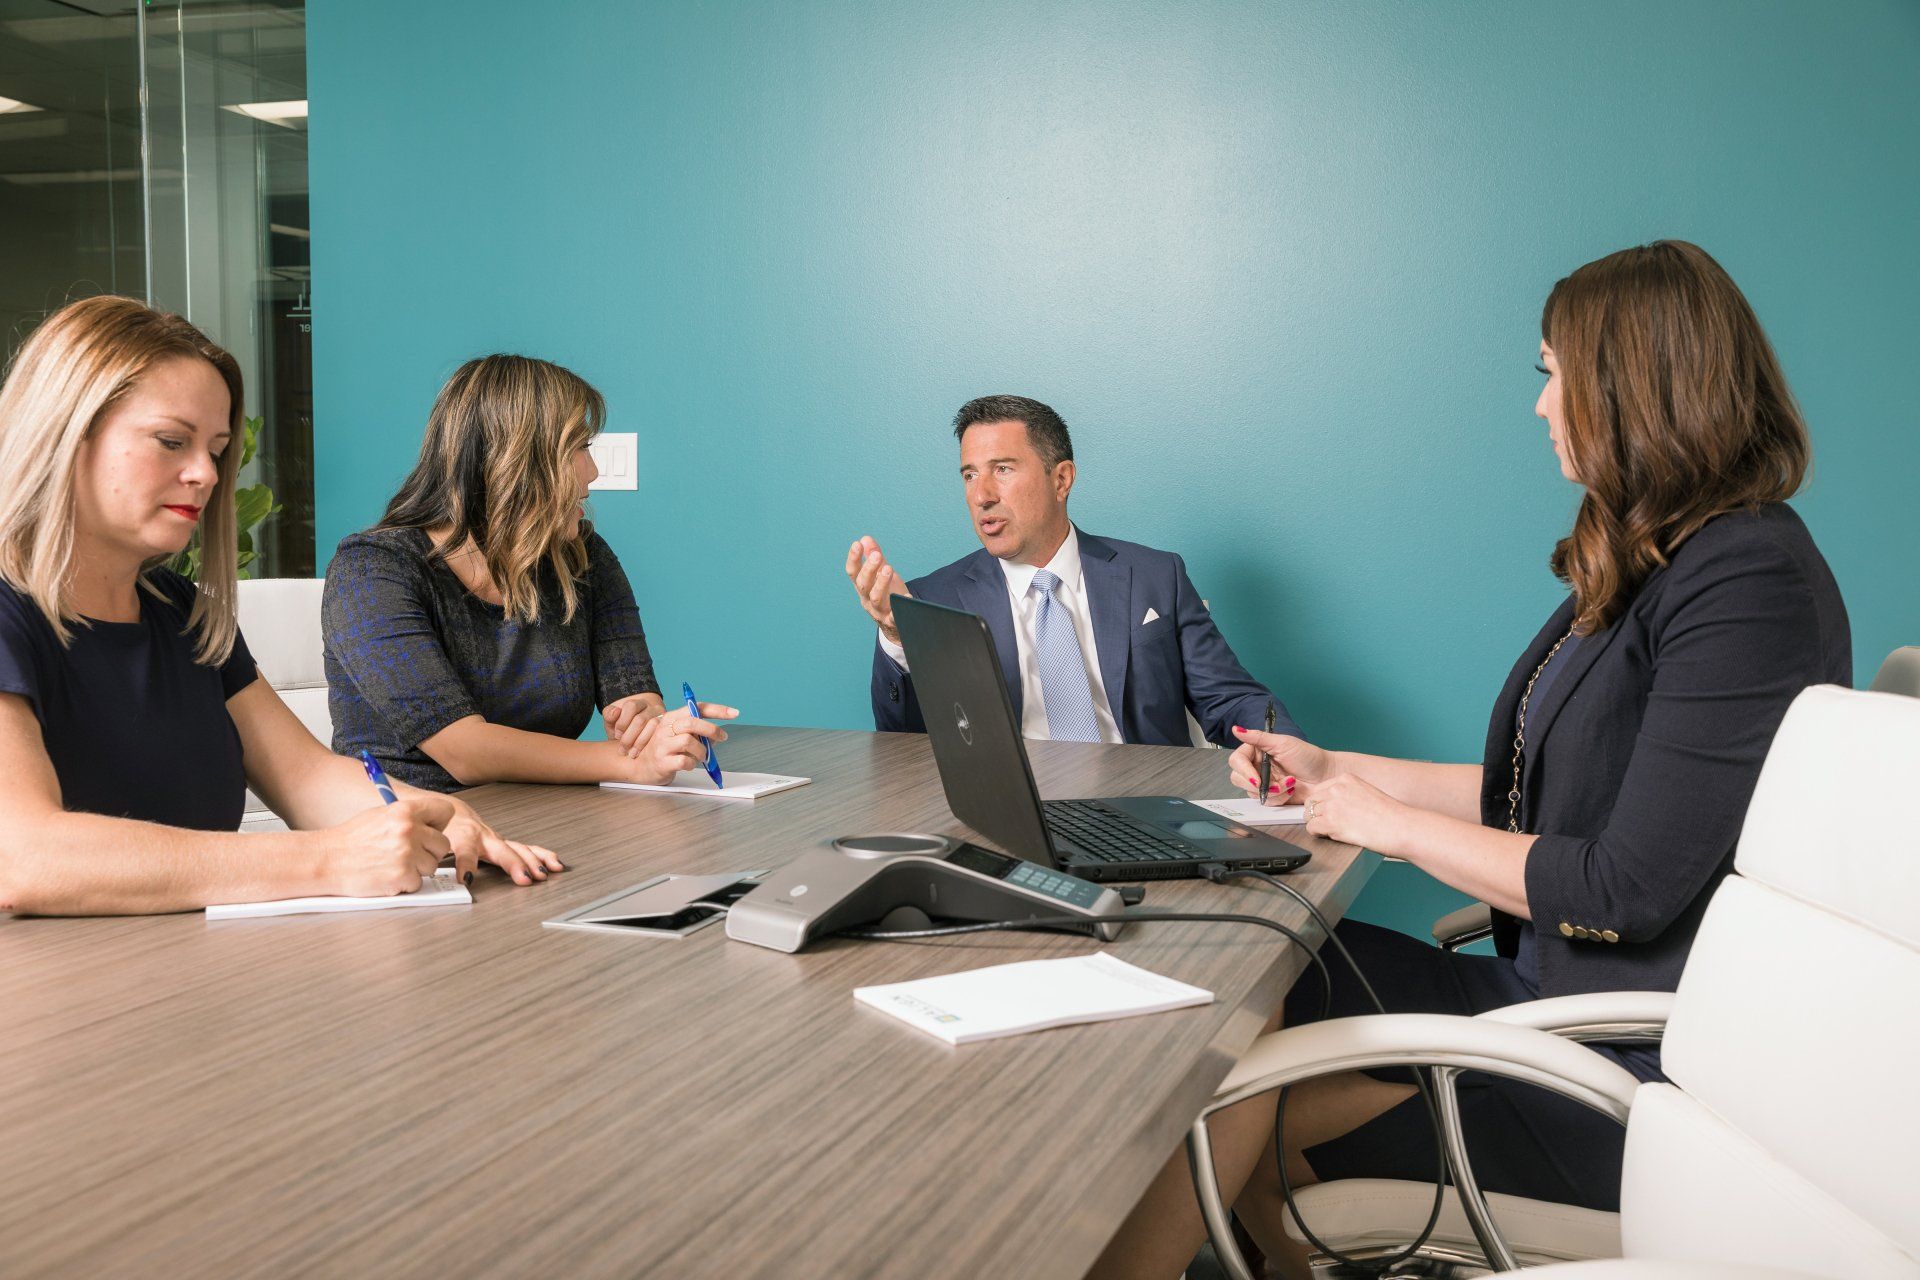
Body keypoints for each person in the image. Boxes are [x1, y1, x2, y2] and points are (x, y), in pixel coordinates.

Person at [1093, 241, 1851, 1280]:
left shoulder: (1745, 579)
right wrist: (1331, 770)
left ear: (1635, 384)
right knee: (1249, 967)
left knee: (1210, 1094)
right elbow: (1538, 794)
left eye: (1555, 372)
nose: (1542, 405)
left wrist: (1386, 824)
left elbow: (1624, 884)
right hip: (1545, 998)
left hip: (1615, 1064)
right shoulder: (1655, 553)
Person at [0, 296, 559, 916]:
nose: (207, 476)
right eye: (170, 441)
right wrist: (328, 860)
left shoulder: (183, 613)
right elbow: (24, 856)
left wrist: (441, 816)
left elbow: (308, 778)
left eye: (215, 450)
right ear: (62, 434)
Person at [324, 355, 734, 803]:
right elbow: (465, 751)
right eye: (579, 448)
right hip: (410, 832)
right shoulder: (372, 571)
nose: (593, 472)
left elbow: (635, 689)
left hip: (547, 814)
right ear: (517, 460)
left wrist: (646, 721)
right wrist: (631, 762)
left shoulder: (582, 556)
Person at [846, 394, 1297, 747]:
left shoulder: (1156, 576)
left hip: (1150, 806)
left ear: (1061, 479)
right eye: (969, 475)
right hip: (1014, 812)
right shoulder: (932, 600)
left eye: (1002, 469)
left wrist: (1278, 749)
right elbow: (903, 743)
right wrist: (897, 636)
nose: (981, 495)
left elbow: (1229, 699)